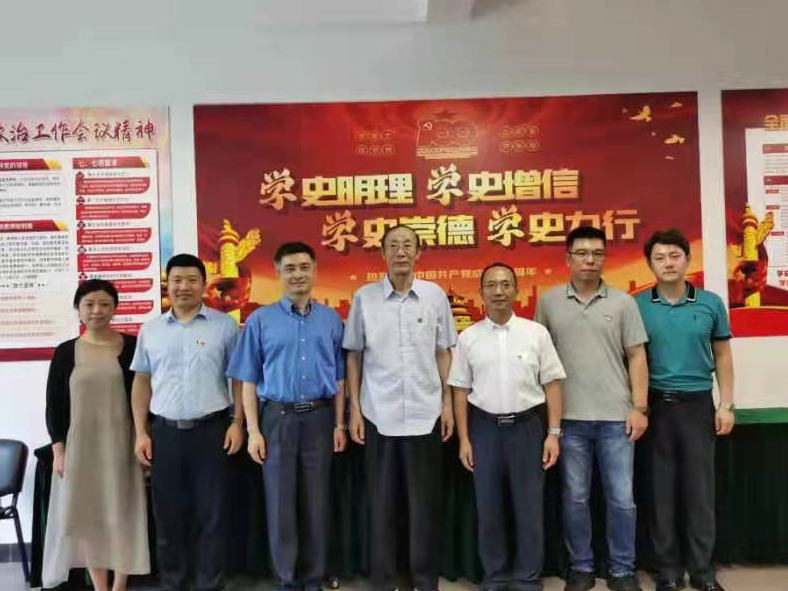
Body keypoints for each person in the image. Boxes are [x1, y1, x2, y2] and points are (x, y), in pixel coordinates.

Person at [343, 224, 458, 591]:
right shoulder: (364, 298)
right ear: (383, 253)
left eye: (408, 245)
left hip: (426, 414)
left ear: (419, 252)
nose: (401, 252)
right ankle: (385, 580)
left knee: (424, 506)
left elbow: (443, 352)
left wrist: (447, 404)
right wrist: (355, 410)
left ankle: (423, 580)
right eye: (393, 245)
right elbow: (354, 356)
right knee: (382, 505)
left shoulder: (434, 296)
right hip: (379, 414)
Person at [227, 242, 347, 591]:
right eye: (290, 268)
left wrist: (339, 423)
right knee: (280, 503)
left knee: (317, 502)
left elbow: (340, 378)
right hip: (276, 420)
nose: (298, 274)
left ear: (314, 271)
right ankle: (287, 579)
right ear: (278, 273)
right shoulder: (260, 320)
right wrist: (253, 430)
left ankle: (314, 576)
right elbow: (247, 379)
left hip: (321, 419)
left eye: (304, 267)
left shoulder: (330, 319)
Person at [534, 226, 649, 591]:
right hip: (568, 421)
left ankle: (622, 570)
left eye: (597, 253)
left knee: (622, 500)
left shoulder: (623, 302)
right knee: (575, 498)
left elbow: (637, 356)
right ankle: (581, 568)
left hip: (617, 419)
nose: (590, 259)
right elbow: (537, 359)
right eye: (582, 253)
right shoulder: (549, 302)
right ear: (568, 258)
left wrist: (640, 407)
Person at [130, 253, 244, 591]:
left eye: (192, 280)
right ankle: (174, 583)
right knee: (169, 517)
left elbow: (239, 379)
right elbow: (141, 382)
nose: (184, 287)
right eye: (177, 280)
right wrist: (141, 432)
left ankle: (210, 584)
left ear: (204, 284)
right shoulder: (151, 330)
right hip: (165, 434)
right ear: (168, 284)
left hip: (213, 432)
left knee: (213, 516)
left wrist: (237, 422)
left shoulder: (224, 326)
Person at [449, 263, 565, 591]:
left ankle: (527, 579)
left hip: (527, 428)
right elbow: (460, 391)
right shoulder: (468, 338)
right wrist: (464, 439)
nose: (498, 291)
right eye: (491, 285)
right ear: (481, 292)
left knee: (529, 509)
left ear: (516, 290)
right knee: (489, 508)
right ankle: (496, 577)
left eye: (505, 284)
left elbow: (553, 385)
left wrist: (553, 433)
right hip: (484, 430)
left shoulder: (536, 333)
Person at [635, 229, 734, 591]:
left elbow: (722, 354)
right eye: (659, 258)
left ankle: (703, 572)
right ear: (650, 264)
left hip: (697, 406)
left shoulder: (710, 303)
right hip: (656, 407)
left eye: (674, 256)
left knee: (699, 493)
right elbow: (633, 359)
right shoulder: (637, 305)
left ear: (687, 260)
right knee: (661, 493)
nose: (668, 263)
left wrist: (726, 404)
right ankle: (669, 571)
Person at [43, 279, 149, 591]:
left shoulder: (132, 346)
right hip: (82, 448)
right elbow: (54, 405)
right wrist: (59, 451)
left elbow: (145, 397)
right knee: (89, 518)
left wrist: (143, 438)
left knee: (124, 515)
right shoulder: (66, 352)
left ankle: (120, 584)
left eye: (104, 304)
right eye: (89, 304)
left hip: (123, 444)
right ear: (78, 309)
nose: (97, 310)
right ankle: (101, 586)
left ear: (115, 308)